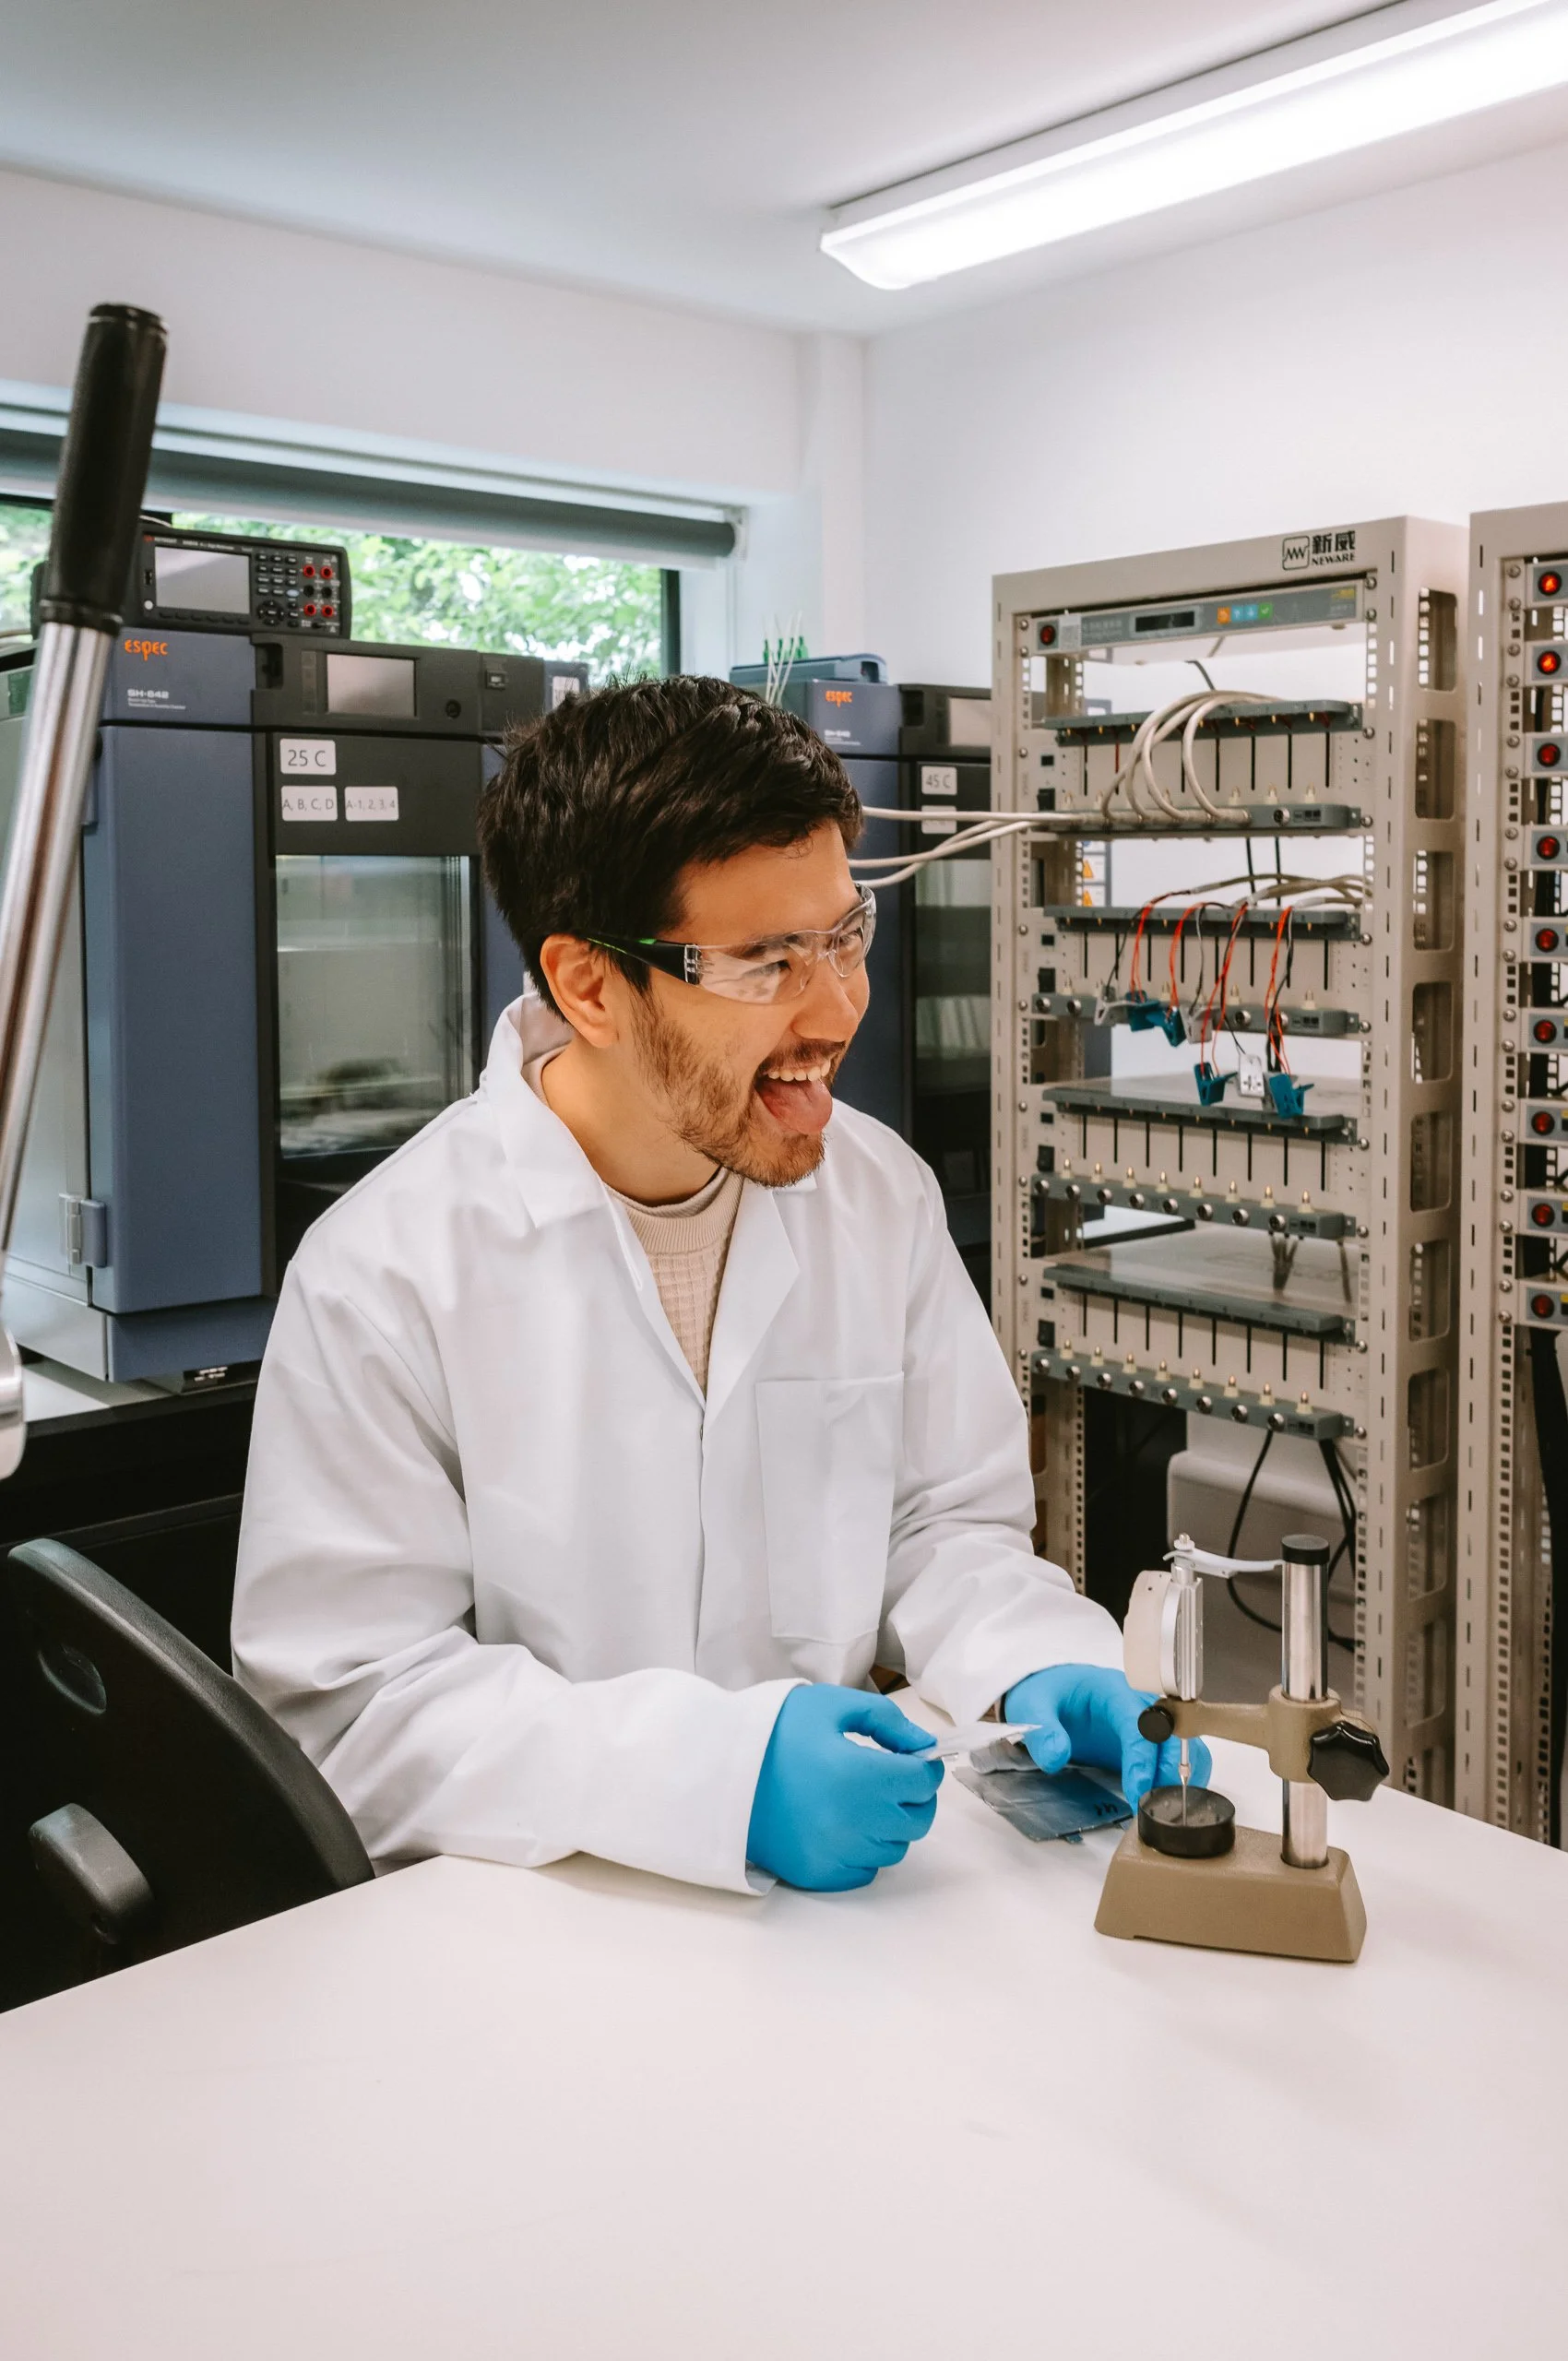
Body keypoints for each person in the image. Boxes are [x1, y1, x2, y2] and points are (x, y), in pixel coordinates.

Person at [232, 676, 1206, 1894]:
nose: (840, 1006)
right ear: (590, 985)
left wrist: (1038, 1659)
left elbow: (938, 1525)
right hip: (533, 1920)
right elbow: (355, 1710)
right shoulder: (389, 1270)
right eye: (766, 963)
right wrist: (710, 1778)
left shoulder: (876, 1197)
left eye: (845, 935)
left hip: (835, 1919)